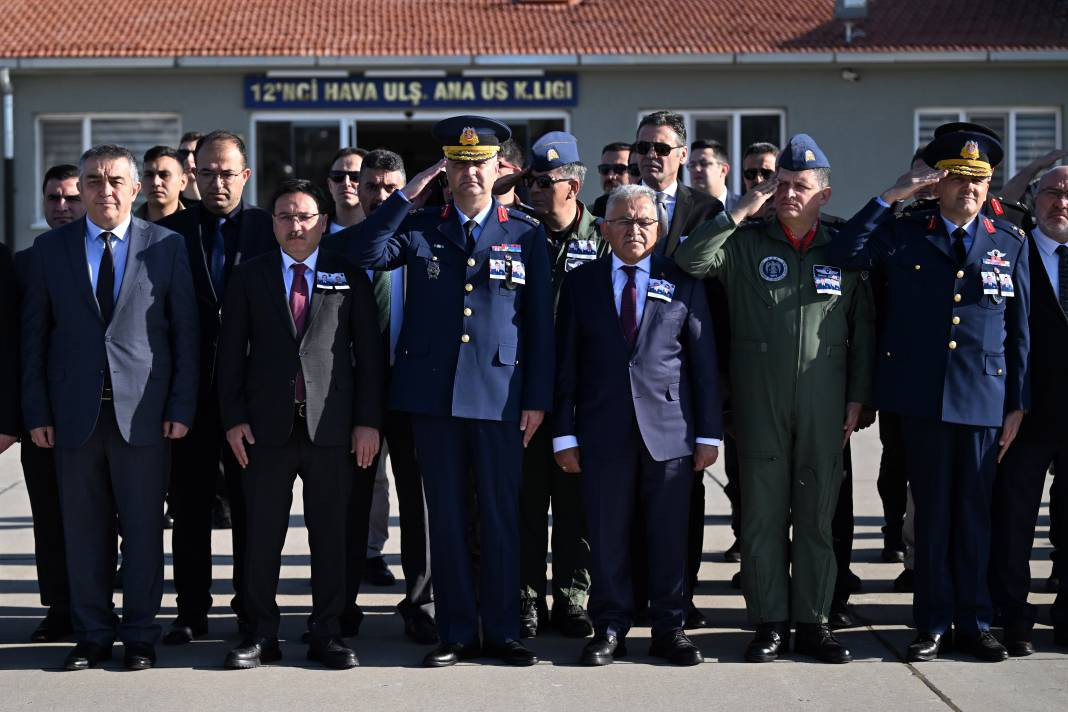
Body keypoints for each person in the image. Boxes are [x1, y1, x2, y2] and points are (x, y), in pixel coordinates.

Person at [347, 115, 554, 667]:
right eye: (458, 165)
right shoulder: (419, 227)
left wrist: (536, 397)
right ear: (444, 171)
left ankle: (504, 631)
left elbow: (538, 324)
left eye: (479, 164)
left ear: (498, 169)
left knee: (500, 515)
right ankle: (457, 632)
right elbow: (362, 254)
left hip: (501, 396)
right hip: (433, 399)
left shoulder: (524, 233)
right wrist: (406, 194)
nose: (470, 174)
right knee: (446, 516)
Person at [829, 122, 1029, 663]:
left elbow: (1019, 329)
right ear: (936, 182)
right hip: (921, 398)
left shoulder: (1009, 241)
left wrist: (1018, 403)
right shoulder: (903, 232)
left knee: (976, 515)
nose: (970, 189)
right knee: (933, 517)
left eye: (980, 180)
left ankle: (977, 621)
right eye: (959, 178)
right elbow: (844, 253)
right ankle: (932, 624)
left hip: (984, 399)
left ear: (990, 185)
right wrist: (893, 195)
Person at [675, 134, 874, 664]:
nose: (786, 194)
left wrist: (859, 398)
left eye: (799, 186)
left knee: (817, 517)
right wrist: (737, 213)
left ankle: (814, 622)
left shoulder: (843, 245)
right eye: (779, 183)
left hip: (825, 404)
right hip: (758, 403)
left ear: (823, 195)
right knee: (762, 516)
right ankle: (768, 621)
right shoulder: (745, 241)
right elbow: (690, 261)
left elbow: (864, 329)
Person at [20, 144, 199, 671]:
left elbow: (184, 334)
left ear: (135, 188)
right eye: (94, 181)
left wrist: (182, 405)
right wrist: (36, 413)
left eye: (116, 181)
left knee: (144, 530)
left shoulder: (165, 246)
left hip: (143, 415)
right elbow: (35, 339)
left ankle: (140, 634)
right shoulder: (50, 250)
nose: (106, 191)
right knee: (83, 531)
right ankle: (92, 634)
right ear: (82, 188)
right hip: (73, 418)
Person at [217, 179, 384, 670]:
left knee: (331, 535)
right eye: (286, 216)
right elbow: (229, 357)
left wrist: (367, 423)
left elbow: (369, 357)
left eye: (305, 216)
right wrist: (233, 419)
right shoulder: (250, 276)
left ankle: (327, 632)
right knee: (260, 536)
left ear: (323, 222)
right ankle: (260, 632)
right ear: (272, 224)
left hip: (332, 429)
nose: (296, 225)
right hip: (264, 431)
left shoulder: (346, 274)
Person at [555, 183, 721, 666]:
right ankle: (609, 625)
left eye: (645, 221)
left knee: (668, 535)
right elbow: (567, 365)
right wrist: (564, 433)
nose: (635, 229)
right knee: (608, 534)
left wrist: (708, 433)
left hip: (669, 432)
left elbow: (702, 363)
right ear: (604, 229)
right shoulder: (582, 283)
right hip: (603, 432)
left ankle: (670, 627)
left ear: (660, 227)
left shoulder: (682, 278)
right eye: (624, 221)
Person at [157, 130, 276, 644]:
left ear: (245, 176)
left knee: (254, 507)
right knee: (189, 508)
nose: (216, 182)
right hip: (192, 394)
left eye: (227, 173)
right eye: (206, 172)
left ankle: (250, 607)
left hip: (255, 396)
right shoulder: (166, 235)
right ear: (191, 176)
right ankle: (191, 610)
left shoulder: (270, 229)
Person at [323, 149, 438, 644]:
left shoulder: (426, 239)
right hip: (353, 398)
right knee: (347, 506)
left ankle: (421, 603)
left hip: (414, 394)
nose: (380, 195)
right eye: (371, 185)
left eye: (393, 187)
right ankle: (340, 605)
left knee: (421, 508)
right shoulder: (343, 244)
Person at [506, 131, 600, 639]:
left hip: (582, 396)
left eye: (543, 181)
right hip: (524, 393)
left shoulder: (604, 238)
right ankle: (526, 599)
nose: (532, 190)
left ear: (572, 184)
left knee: (575, 506)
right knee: (525, 501)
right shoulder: (516, 235)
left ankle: (572, 598)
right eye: (528, 180)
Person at [634, 110, 723, 627]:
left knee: (682, 495)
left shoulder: (707, 210)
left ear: (683, 156)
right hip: (632, 374)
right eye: (643, 147)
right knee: (634, 498)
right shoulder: (613, 206)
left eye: (661, 148)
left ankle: (680, 596)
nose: (650, 156)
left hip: (684, 375)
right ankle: (637, 594)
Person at [989, 165, 1068, 654]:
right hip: (1024, 411)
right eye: (1053, 192)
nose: (1061, 202)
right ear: (1035, 199)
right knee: (1013, 519)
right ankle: (1014, 618)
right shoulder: (1011, 250)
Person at [15, 164, 89, 644]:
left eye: (70, 198)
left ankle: (99, 605)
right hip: (43, 416)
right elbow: (19, 346)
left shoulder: (118, 255)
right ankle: (60, 607)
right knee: (50, 516)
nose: (61, 208)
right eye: (53, 199)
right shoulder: (25, 263)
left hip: (104, 413)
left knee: (105, 518)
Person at [136, 146, 188, 222]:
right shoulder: (124, 227)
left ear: (183, 182)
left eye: (164, 175)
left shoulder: (199, 227)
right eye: (149, 175)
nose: (156, 182)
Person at [689, 139, 739, 211]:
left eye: (704, 163)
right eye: (692, 165)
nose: (697, 169)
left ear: (723, 170)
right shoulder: (681, 209)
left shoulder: (743, 207)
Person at [326, 147, 367, 229]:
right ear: (330, 185)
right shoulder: (314, 233)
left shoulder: (386, 231)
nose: (346, 183)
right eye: (338, 176)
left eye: (355, 176)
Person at [591, 142, 632, 218]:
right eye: (605, 169)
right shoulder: (589, 215)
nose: (610, 176)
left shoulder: (650, 211)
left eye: (619, 169)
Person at [741, 142, 778, 222]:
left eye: (766, 173)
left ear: (779, 175)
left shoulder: (788, 216)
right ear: (744, 177)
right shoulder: (733, 214)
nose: (758, 180)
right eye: (751, 173)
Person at [177, 131, 203, 203]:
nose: (189, 159)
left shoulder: (217, 202)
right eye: (183, 153)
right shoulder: (170, 204)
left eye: (195, 153)